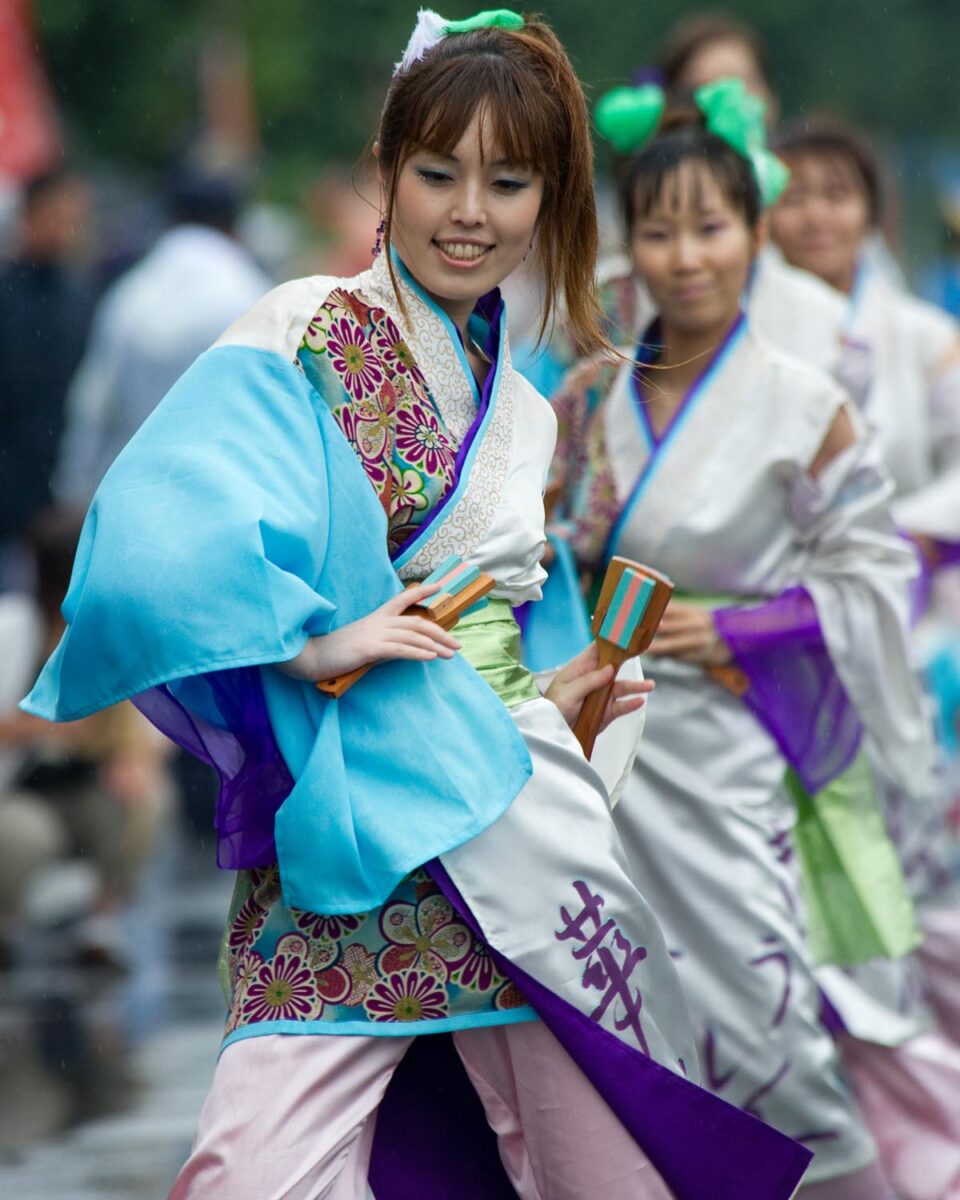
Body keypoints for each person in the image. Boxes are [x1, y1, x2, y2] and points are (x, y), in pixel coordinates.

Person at [21, 13, 810, 1200]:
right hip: (349, 838)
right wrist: (308, 641)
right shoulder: (307, 330)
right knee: (251, 1174)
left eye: (508, 180)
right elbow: (151, 538)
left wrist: (560, 696)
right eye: (437, 171)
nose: (468, 210)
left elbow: (492, 630)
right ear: (384, 169)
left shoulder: (529, 410)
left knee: (605, 1171)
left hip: (508, 820)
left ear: (550, 199)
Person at [554, 83, 931, 1198]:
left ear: (755, 234)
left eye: (710, 227)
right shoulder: (588, 396)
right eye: (658, 230)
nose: (684, 257)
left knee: (769, 1031)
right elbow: (545, 560)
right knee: (633, 1028)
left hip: (734, 741)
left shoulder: (808, 403)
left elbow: (875, 574)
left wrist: (733, 623)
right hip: (609, 747)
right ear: (631, 245)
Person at [769, 118, 960, 1200]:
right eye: (792, 195)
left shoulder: (924, 334)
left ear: (870, 211)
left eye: (837, 194)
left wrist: (906, 540)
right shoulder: (737, 334)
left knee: (907, 900)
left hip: (907, 652)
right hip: (774, 656)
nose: (814, 216)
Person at [53, 158, 272, 507]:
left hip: (134, 496)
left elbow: (94, 404)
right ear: (234, 224)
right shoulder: (252, 292)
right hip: (226, 498)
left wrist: (73, 490)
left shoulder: (131, 293)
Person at [0, 166, 93, 589]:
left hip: (59, 491)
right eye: (58, 214)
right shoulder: (8, 294)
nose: (68, 227)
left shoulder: (81, 298)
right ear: (30, 216)